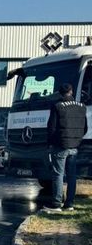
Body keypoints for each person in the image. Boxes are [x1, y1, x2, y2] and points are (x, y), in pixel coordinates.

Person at [42, 83, 87, 212]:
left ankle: (56, 204)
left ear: (60, 94)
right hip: (75, 146)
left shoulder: (57, 106)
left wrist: (50, 143)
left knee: (58, 174)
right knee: (72, 175)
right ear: (71, 92)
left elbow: (51, 128)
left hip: (60, 146)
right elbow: (85, 128)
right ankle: (70, 204)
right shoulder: (82, 107)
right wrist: (76, 139)